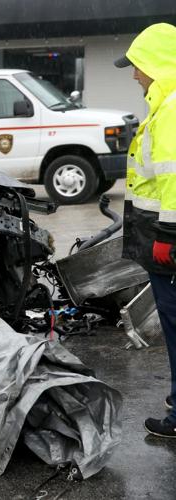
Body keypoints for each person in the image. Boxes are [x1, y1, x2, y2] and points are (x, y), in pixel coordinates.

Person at [113, 23, 176, 437]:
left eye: (137, 66)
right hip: (157, 234)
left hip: (165, 239)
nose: (134, 74)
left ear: (156, 63)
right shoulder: (164, 106)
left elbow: (173, 177)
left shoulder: (170, 110)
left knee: (174, 323)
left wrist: (169, 238)